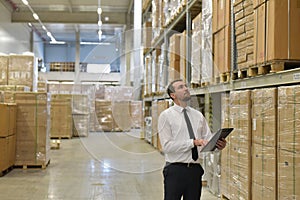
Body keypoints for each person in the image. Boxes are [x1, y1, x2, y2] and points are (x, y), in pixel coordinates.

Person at [158, 79, 227, 200]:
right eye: (180, 87)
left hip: (195, 171)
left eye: (185, 86)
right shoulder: (166, 116)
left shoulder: (198, 115)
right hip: (175, 170)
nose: (185, 88)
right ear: (173, 95)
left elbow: (207, 140)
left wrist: (217, 145)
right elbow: (167, 146)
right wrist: (193, 143)